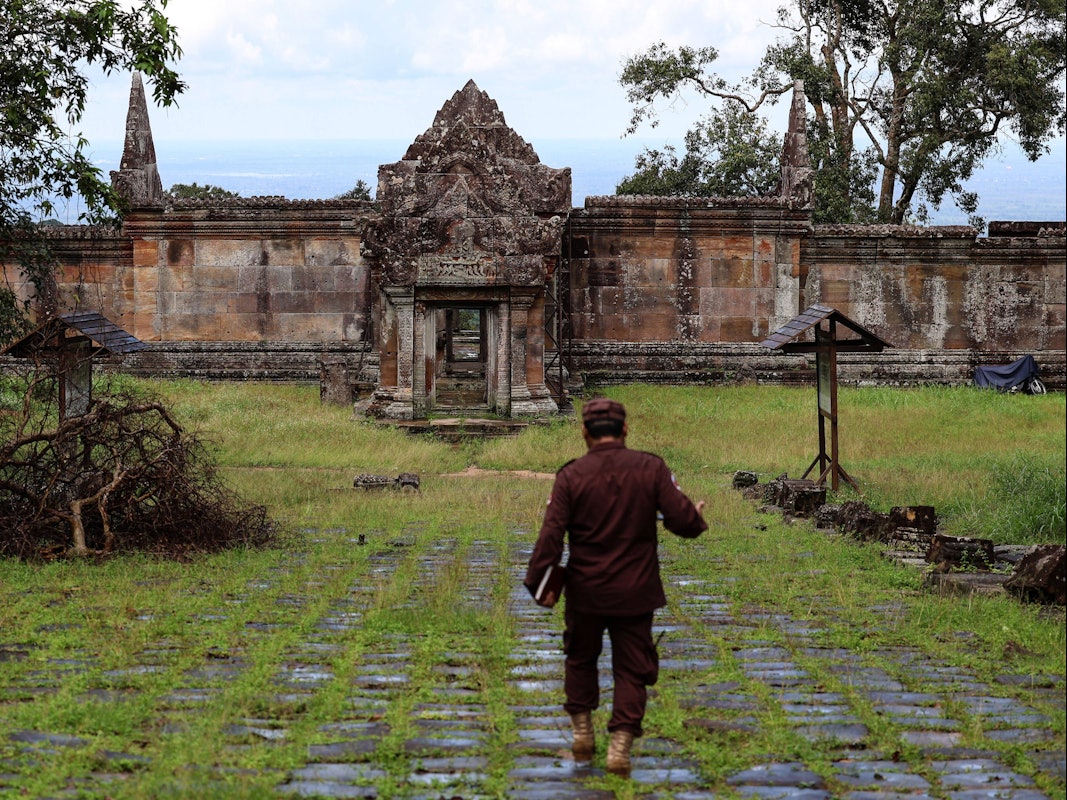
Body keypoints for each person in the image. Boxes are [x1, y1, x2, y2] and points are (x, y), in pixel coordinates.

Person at [524, 397, 707, 776]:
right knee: (632, 668)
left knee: (579, 658)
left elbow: (550, 537)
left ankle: (582, 734)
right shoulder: (651, 468)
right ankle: (619, 748)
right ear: (625, 430)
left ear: (584, 433)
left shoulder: (571, 476)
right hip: (635, 591)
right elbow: (681, 520)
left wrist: (539, 582)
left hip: (585, 590)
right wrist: (695, 517)